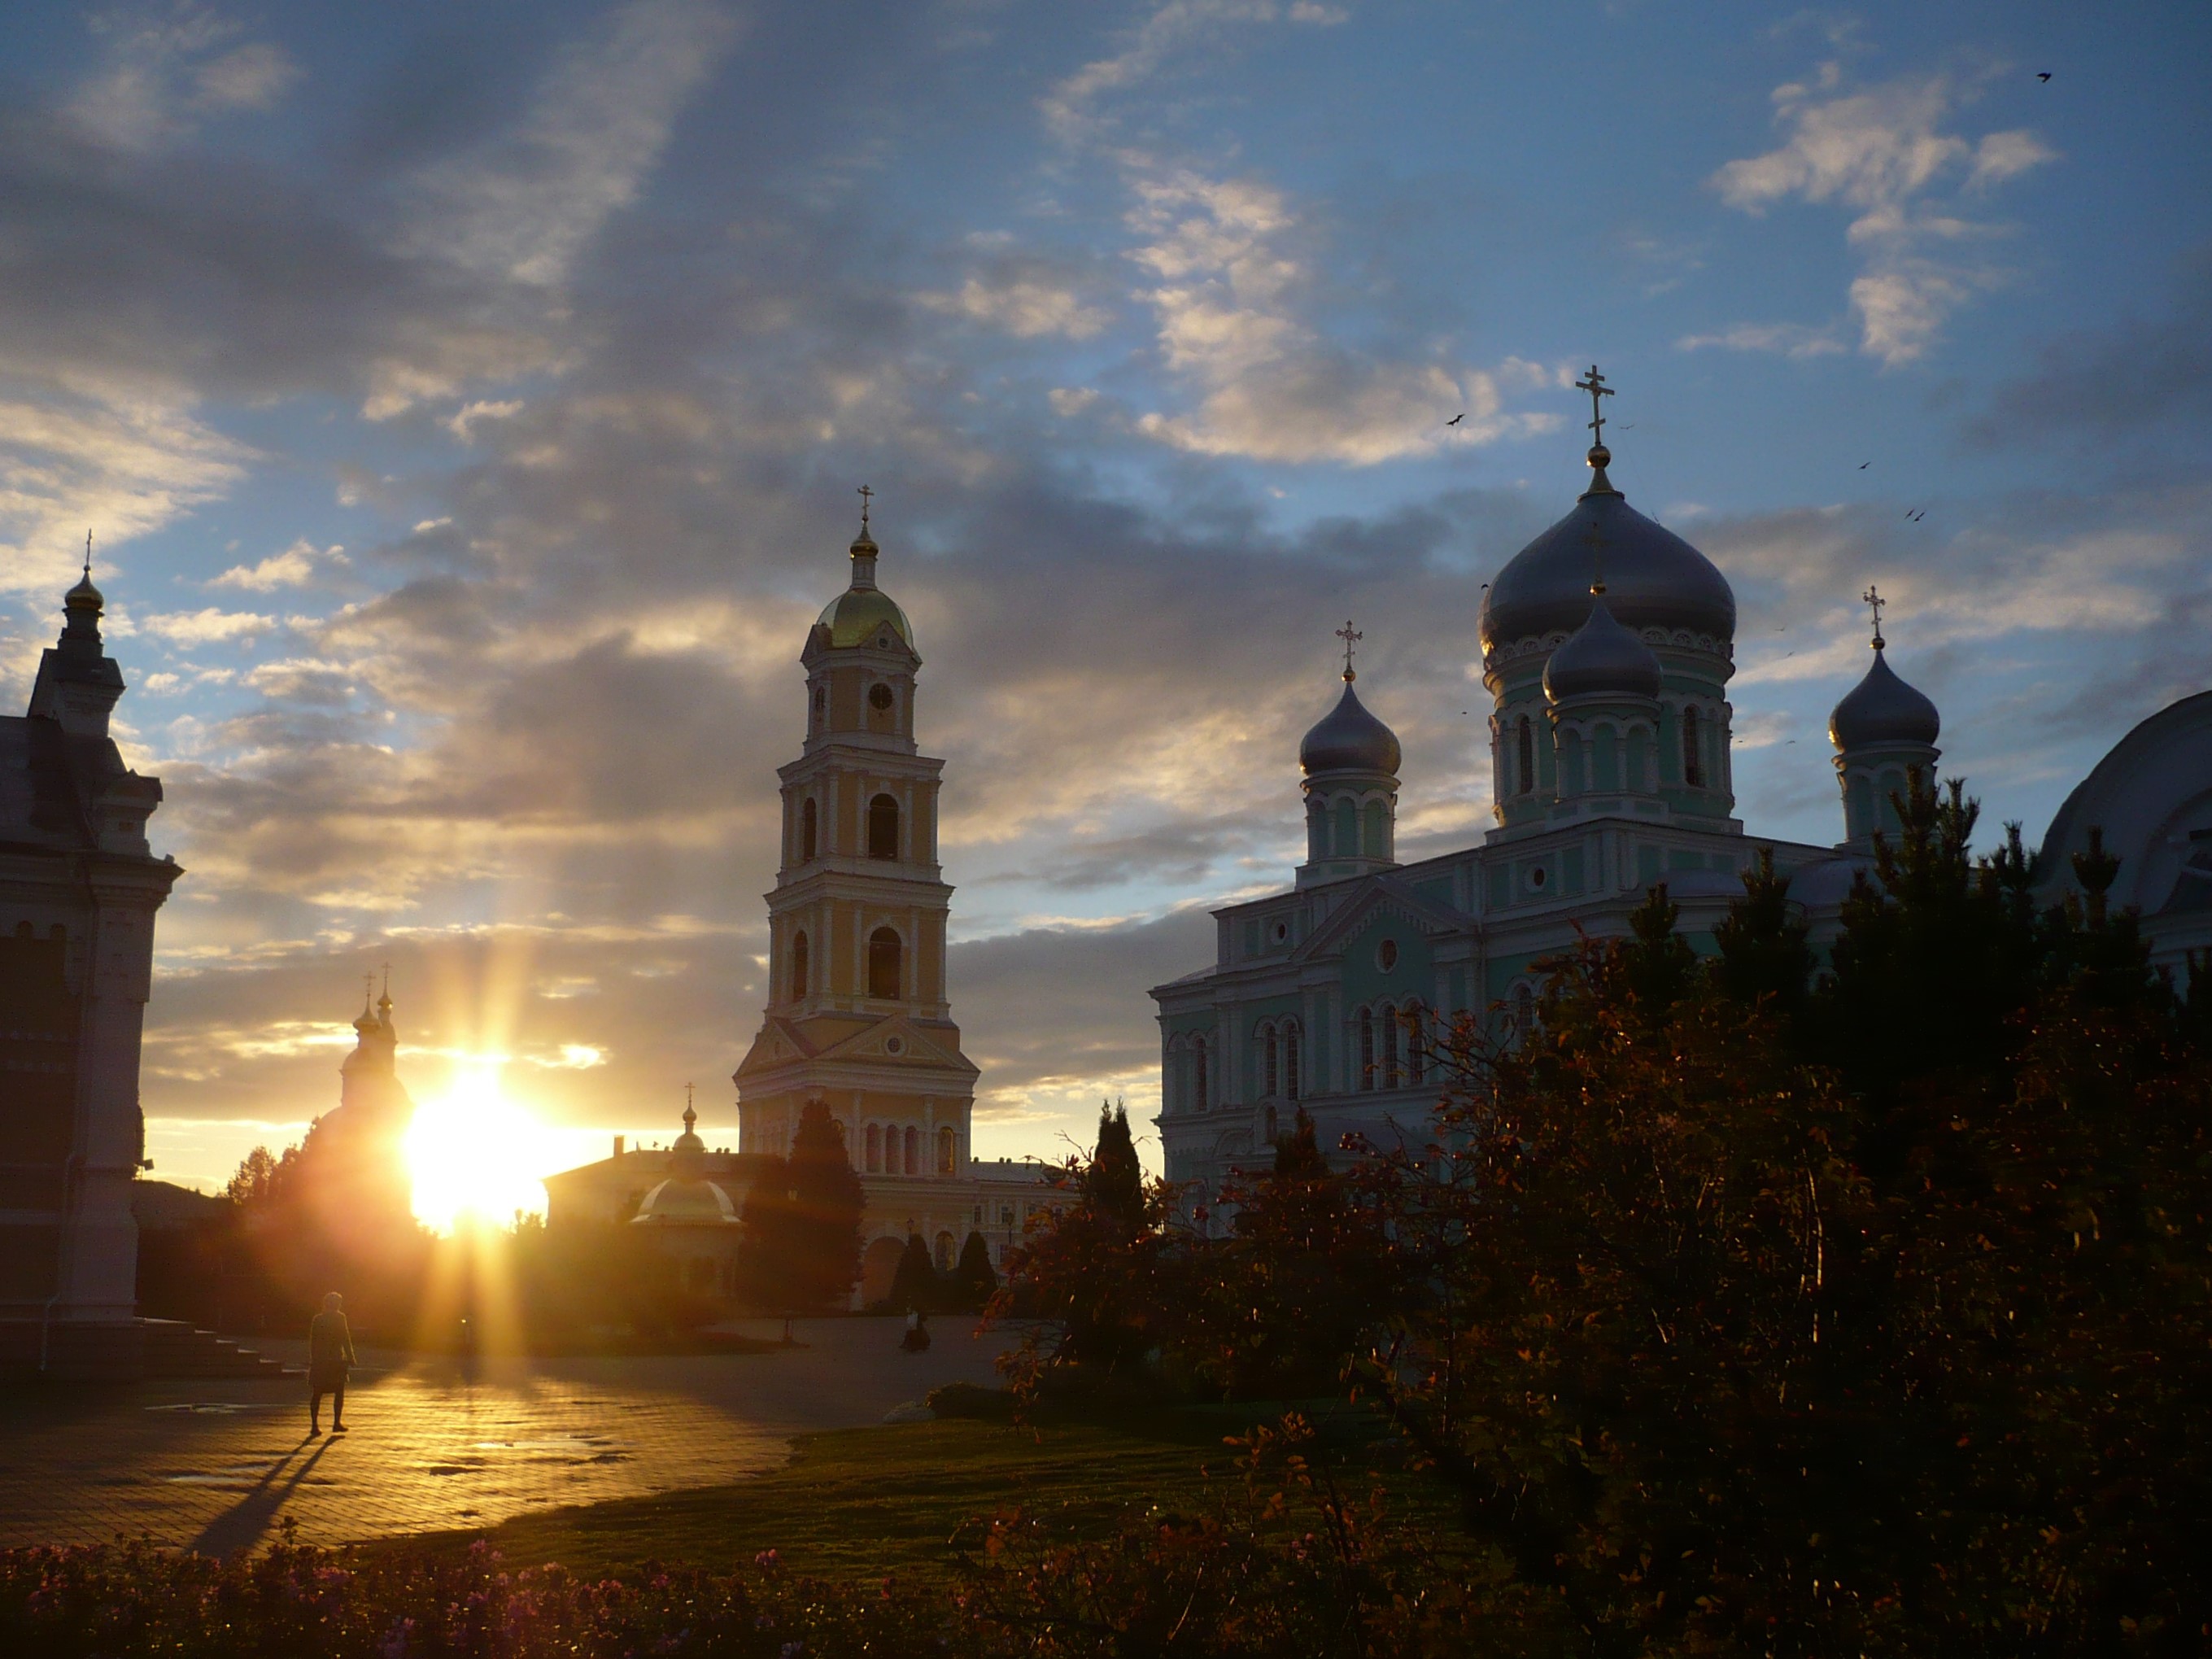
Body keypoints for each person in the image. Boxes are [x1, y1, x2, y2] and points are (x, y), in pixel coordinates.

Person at [308, 1291, 356, 1436]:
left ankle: (314, 1425)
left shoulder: (318, 1319)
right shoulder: (340, 1318)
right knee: (339, 1391)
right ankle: (336, 1423)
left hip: (320, 1361)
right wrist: (351, 1356)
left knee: (317, 1393)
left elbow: (313, 1341)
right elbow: (345, 1338)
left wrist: (314, 1359)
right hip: (336, 1360)